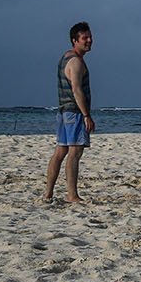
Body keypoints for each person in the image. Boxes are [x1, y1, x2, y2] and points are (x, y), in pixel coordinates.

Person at [43, 22, 95, 204]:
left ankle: (48, 193)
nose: (89, 40)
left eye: (90, 37)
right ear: (75, 41)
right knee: (75, 152)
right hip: (74, 112)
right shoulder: (76, 62)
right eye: (84, 38)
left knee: (60, 151)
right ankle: (72, 195)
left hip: (64, 112)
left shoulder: (65, 57)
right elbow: (76, 89)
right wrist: (86, 115)